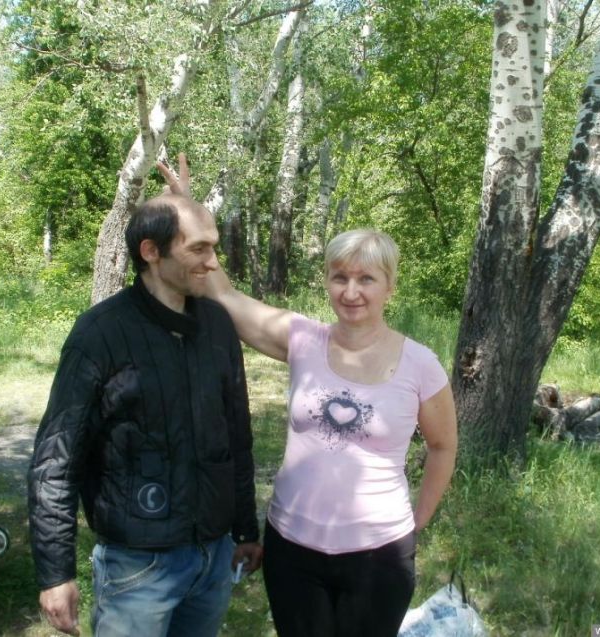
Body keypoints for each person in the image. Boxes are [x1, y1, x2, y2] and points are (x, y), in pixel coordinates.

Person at [159, 155, 458, 637]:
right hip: (292, 548)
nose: (351, 291)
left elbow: (443, 446)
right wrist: (187, 210)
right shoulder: (302, 339)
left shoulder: (420, 363)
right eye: (340, 277)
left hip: (379, 555)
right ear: (327, 282)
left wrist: (415, 522)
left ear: (390, 286)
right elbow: (225, 296)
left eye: (366, 279)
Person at [27, 191, 263, 637]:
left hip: (213, 557)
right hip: (137, 566)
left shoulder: (217, 326)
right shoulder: (99, 334)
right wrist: (56, 573)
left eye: (213, 247)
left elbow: (237, 436)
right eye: (198, 249)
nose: (213, 263)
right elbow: (56, 460)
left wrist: (245, 529)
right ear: (151, 251)